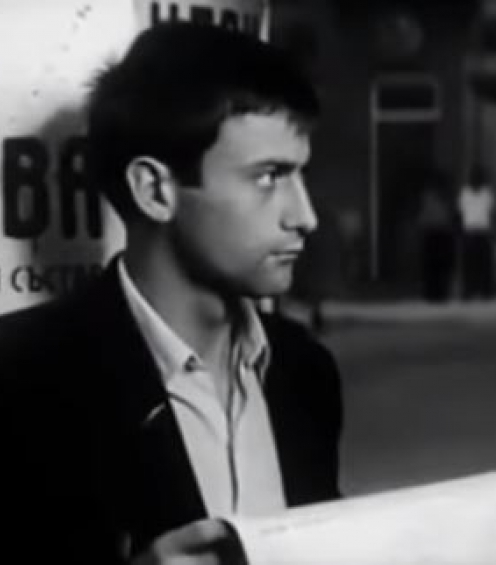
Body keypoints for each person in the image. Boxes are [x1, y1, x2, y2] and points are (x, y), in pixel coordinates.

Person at [0, 23, 343, 564]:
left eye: (300, 175)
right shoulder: (22, 378)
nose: (305, 216)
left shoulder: (306, 373)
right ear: (155, 190)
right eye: (269, 177)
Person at [458, 166, 496, 300]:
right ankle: (476, 290)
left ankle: (478, 290)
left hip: (477, 231)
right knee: (476, 264)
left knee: (477, 264)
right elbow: (491, 212)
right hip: (475, 231)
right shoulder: (479, 193)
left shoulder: (469, 193)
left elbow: (462, 211)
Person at [417, 170, 455, 302]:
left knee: (433, 265)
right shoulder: (443, 196)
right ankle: (438, 292)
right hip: (439, 232)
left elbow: (423, 214)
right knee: (439, 265)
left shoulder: (429, 196)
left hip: (434, 232)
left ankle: (434, 292)